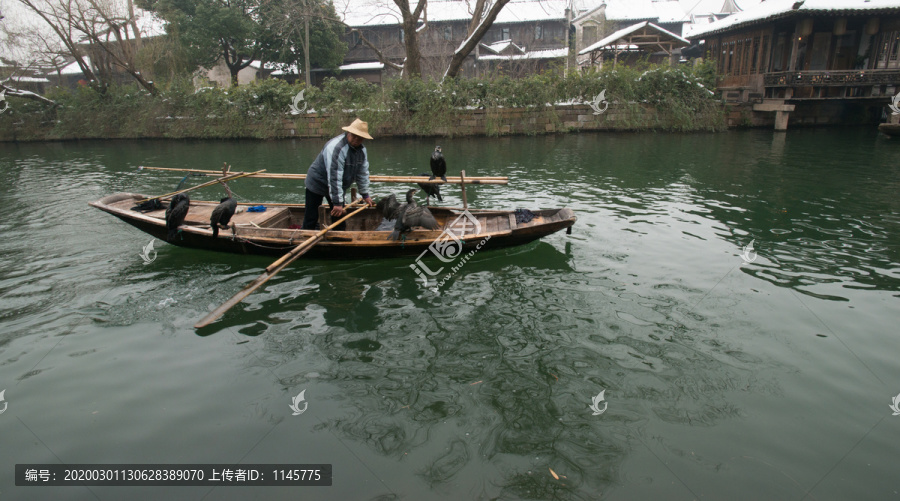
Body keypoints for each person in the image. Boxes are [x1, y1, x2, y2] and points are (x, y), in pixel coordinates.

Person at [302, 118, 377, 230]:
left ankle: (338, 236)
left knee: (340, 217)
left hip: (338, 186)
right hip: (317, 182)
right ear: (349, 133)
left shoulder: (362, 151)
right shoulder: (337, 148)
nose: (356, 139)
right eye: (354, 135)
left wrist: (365, 194)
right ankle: (306, 233)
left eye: (360, 137)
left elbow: (362, 173)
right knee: (312, 216)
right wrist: (337, 203)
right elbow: (334, 177)